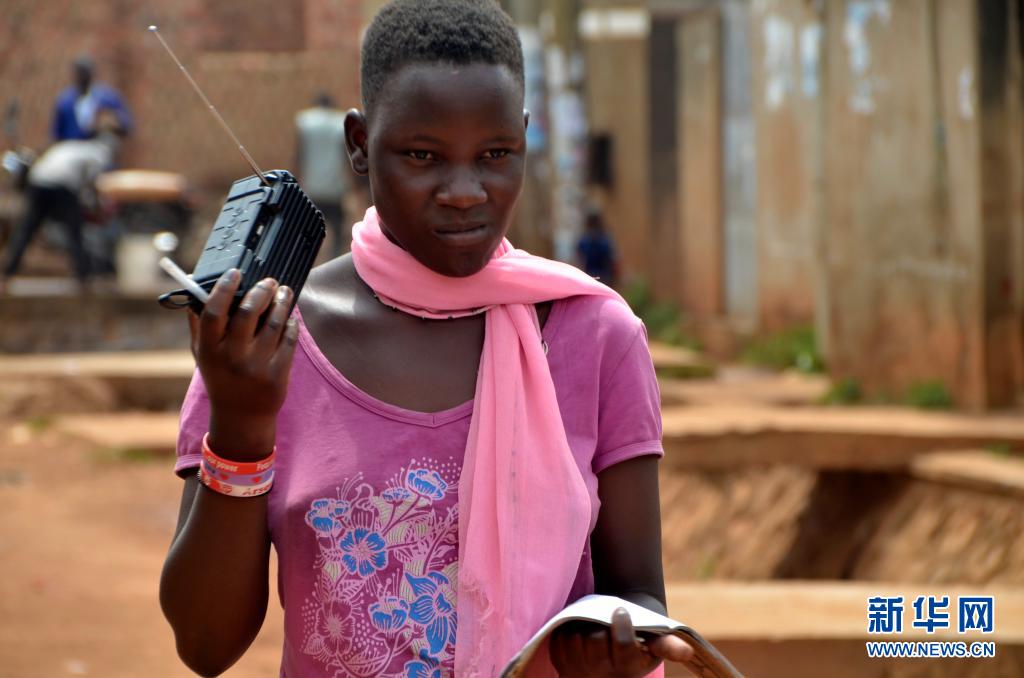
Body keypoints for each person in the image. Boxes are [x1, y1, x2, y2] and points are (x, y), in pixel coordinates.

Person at [160, 2, 692, 676]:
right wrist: (241, 425)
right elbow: (205, 645)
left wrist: (605, 650)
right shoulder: (266, 345)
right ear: (360, 143)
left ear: (525, 138)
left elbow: (639, 596)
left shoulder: (596, 336)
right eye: (422, 155)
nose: (465, 191)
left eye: (495, 155)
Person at [0, 110, 124, 294]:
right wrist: (94, 203)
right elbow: (91, 184)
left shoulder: (72, 146)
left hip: (39, 180)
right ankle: (84, 276)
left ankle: (7, 273)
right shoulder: (99, 153)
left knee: (27, 227)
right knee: (74, 230)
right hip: (61, 185)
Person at [296, 92, 350, 257]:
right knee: (337, 226)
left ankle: (306, 258)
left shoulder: (305, 121)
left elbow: (300, 154)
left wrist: (297, 178)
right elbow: (345, 155)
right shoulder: (340, 122)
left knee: (310, 227)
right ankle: (334, 257)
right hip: (334, 185)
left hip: (313, 185)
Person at [51, 55, 133, 142]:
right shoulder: (65, 101)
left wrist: (112, 123)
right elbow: (56, 133)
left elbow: (126, 124)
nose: (83, 76)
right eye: (80, 73)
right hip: (72, 144)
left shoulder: (107, 98)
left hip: (99, 143)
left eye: (85, 73)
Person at [576, 209, 619, 289]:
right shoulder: (587, 240)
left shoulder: (603, 238)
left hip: (600, 276)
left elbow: (612, 259)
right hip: (593, 277)